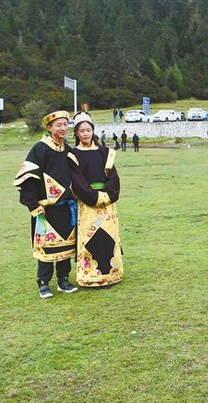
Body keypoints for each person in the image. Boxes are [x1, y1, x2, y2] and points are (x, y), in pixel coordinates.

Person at [13, 110, 78, 298]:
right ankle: (43, 283)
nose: (63, 128)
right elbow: (28, 178)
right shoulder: (40, 149)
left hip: (66, 208)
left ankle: (63, 280)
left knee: (65, 245)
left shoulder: (68, 150)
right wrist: (33, 205)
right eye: (59, 125)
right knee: (46, 247)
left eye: (65, 124)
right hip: (45, 209)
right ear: (49, 128)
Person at [67, 112, 124, 287]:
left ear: (93, 131)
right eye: (82, 131)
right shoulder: (73, 155)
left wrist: (109, 195)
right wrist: (94, 197)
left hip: (107, 204)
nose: (86, 134)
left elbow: (113, 177)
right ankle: (90, 275)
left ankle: (112, 273)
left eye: (88, 130)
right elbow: (78, 181)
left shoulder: (105, 152)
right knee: (91, 237)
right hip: (87, 204)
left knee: (108, 236)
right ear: (76, 133)